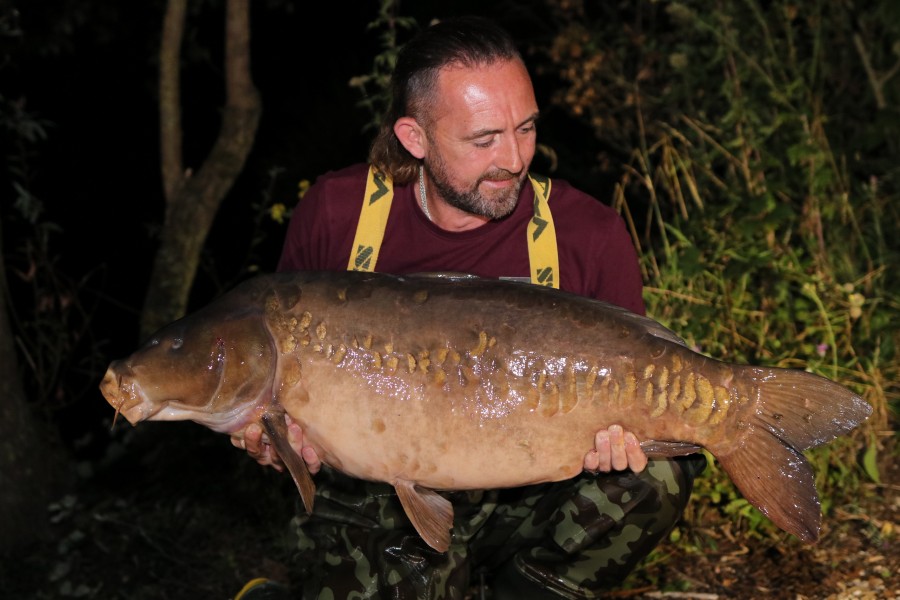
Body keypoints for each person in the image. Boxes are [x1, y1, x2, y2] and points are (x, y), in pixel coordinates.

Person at [231, 15, 706, 600]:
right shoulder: (337, 214)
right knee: (401, 559)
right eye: (484, 140)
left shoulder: (589, 234)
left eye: (526, 128)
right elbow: (279, 384)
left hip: (531, 493)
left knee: (656, 477)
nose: (514, 158)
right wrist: (273, 438)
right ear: (415, 138)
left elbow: (632, 374)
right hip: (384, 499)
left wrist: (627, 439)